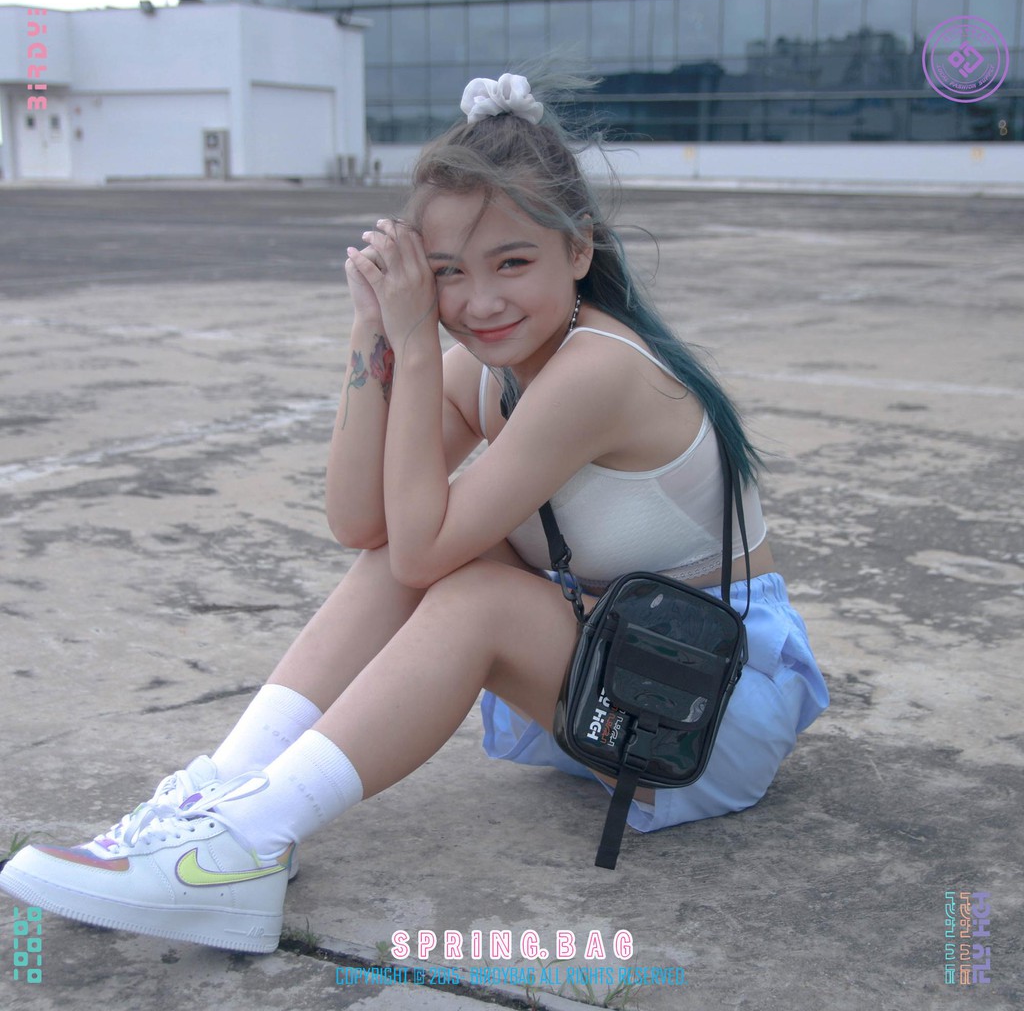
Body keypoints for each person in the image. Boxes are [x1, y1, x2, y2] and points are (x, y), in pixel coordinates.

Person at [0, 73, 828, 953]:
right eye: (446, 275)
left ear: (579, 248)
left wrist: (418, 346)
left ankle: (240, 846)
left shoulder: (599, 370)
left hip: (705, 705)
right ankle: (222, 793)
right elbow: (363, 524)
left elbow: (424, 552)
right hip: (617, 676)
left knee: (470, 590)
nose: (481, 302)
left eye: (514, 262)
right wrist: (373, 329)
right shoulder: (495, 370)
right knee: (409, 554)